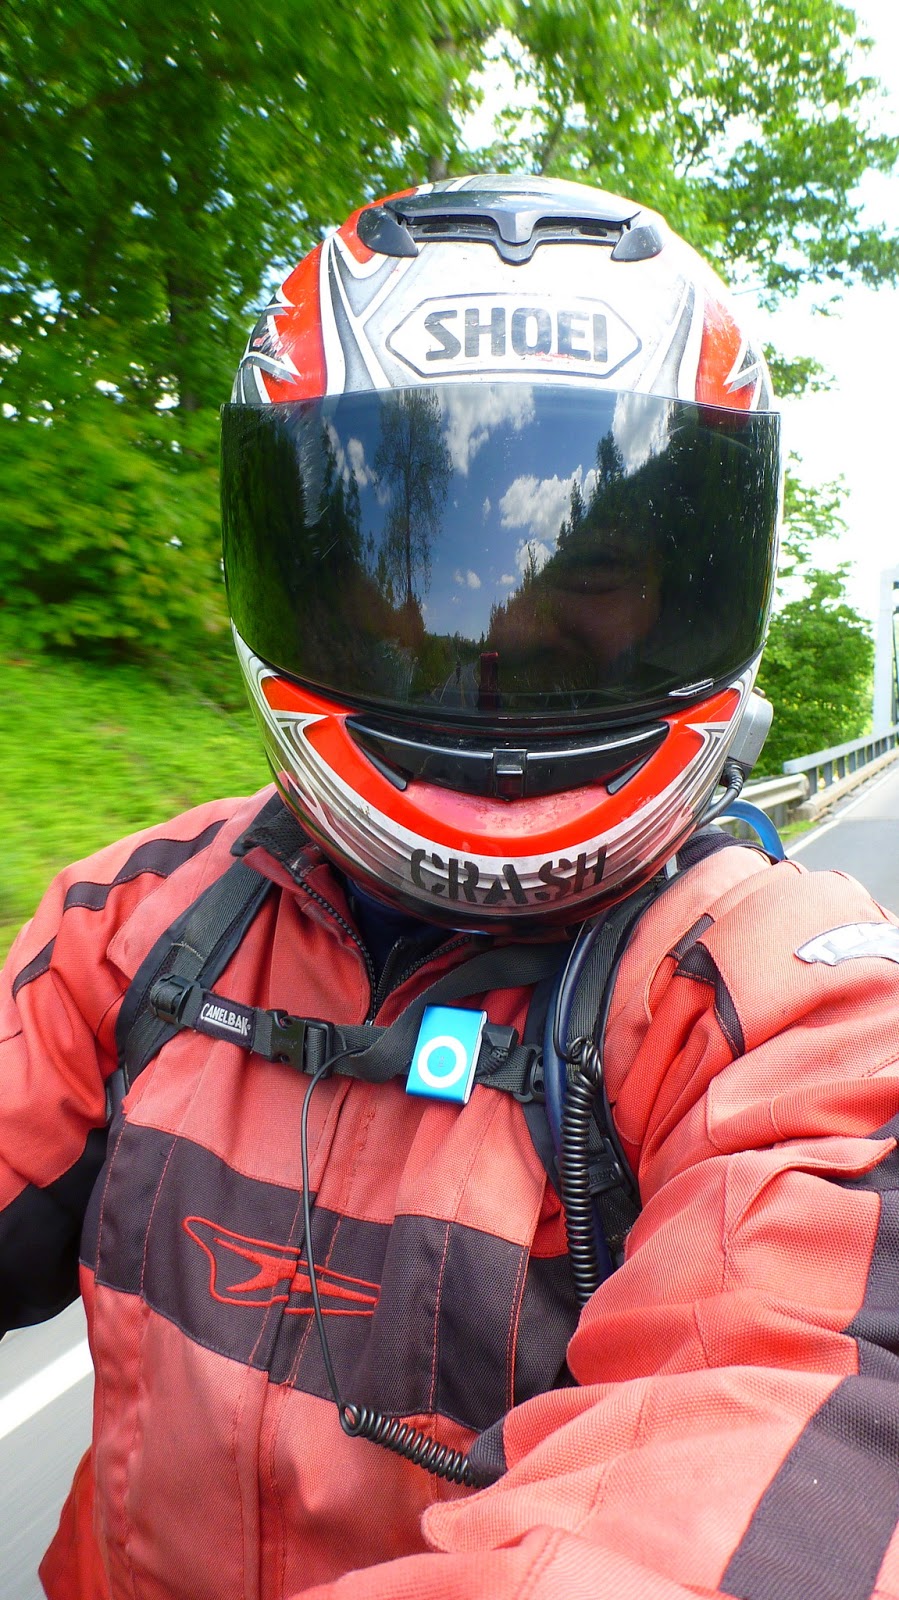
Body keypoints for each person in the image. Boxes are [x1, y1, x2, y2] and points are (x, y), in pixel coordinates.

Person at [3, 172, 899, 1600]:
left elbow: (778, 1467)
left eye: (588, 566)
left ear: (698, 581)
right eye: (419, 559)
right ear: (304, 566)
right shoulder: (140, 920)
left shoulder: (797, 1015)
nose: (501, 634)